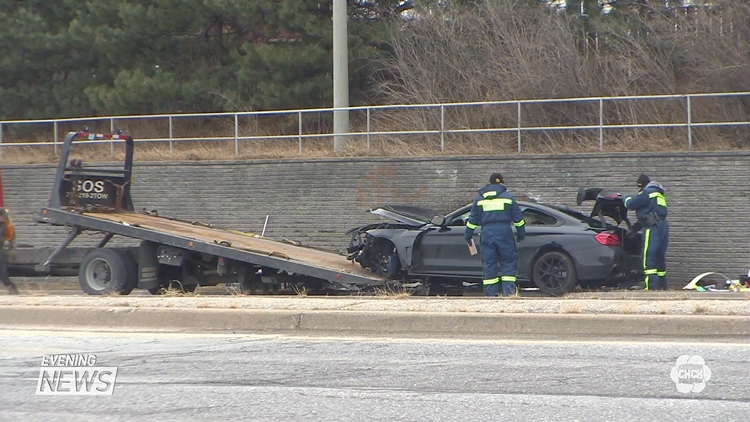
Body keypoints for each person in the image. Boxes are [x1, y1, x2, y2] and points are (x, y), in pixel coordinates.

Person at [464, 173, 526, 297]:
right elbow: (518, 219)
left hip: (487, 233)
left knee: (489, 263)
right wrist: (521, 234)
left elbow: (472, 220)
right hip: (504, 232)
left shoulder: (479, 199)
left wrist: (468, 235)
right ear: (501, 183)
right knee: (508, 261)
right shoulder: (508, 198)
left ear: (490, 183)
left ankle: (491, 295)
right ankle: (509, 293)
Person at [624, 174, 669, 291]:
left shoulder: (647, 192)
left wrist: (624, 198)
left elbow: (631, 204)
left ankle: (652, 286)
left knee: (649, 256)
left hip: (652, 228)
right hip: (662, 226)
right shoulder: (658, 194)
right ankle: (662, 285)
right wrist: (634, 228)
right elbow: (650, 214)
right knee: (659, 256)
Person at [0, 208, 19, 295]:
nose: (4, 218)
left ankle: (11, 287)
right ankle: (11, 287)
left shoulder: (3, 225)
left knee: (2, 270)